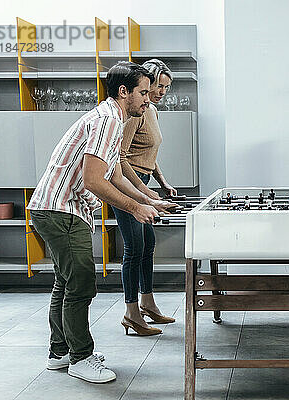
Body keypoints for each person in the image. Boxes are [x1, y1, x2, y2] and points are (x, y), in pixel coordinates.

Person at [27, 61, 175, 384]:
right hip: (62, 208)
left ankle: (59, 352)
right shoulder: (109, 120)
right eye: (143, 93)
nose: (148, 99)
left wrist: (148, 200)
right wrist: (135, 209)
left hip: (55, 207)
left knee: (66, 281)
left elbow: (115, 173)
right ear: (124, 92)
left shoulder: (113, 118)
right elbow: (94, 180)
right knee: (80, 282)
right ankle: (80, 357)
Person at [112, 59, 177, 335]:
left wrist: (162, 182)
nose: (161, 92)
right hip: (128, 183)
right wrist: (143, 192)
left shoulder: (152, 111)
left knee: (147, 244)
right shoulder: (135, 114)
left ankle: (147, 304)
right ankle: (131, 313)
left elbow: (150, 153)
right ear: (146, 83)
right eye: (158, 86)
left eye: (166, 87)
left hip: (144, 181)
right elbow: (121, 157)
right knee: (134, 248)